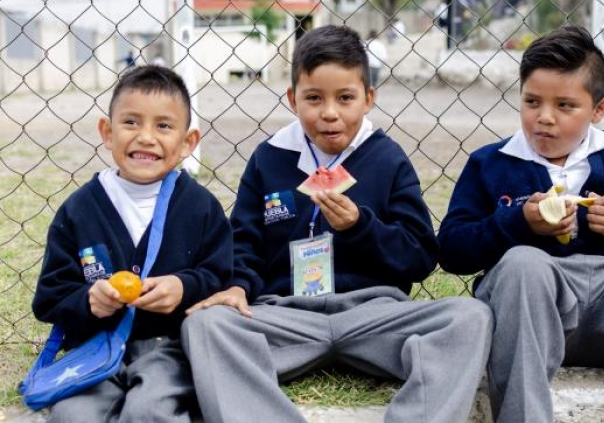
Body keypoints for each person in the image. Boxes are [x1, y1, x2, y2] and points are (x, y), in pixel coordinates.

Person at [181, 25, 493, 423]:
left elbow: (419, 256)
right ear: (293, 99)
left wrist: (362, 228)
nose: (330, 113)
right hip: (286, 317)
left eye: (345, 98)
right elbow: (243, 242)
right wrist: (238, 286)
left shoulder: (388, 159)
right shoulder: (269, 158)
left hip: (374, 315)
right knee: (206, 325)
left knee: (469, 317)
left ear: (368, 99)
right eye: (314, 98)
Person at [438, 25, 604, 422]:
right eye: (532, 102)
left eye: (565, 106)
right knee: (523, 262)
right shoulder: (490, 163)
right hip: (532, 317)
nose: (544, 118)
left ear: (599, 110)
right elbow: (452, 249)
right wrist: (517, 224)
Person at [32, 65, 234, 422]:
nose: (145, 137)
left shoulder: (201, 208)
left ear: (188, 143)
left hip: (170, 350)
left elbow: (220, 277)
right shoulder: (78, 210)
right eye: (131, 122)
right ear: (107, 133)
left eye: (164, 126)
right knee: (71, 417)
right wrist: (89, 300)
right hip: (94, 349)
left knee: (150, 411)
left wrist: (183, 286)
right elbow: (50, 297)